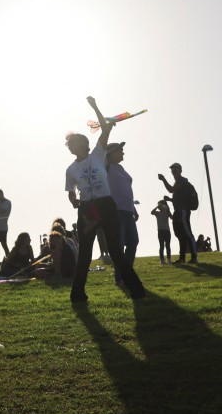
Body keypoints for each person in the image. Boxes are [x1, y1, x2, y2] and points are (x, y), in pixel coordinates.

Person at [64, 97, 146, 303]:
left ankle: (136, 290)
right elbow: (71, 191)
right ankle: (77, 295)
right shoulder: (71, 169)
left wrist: (95, 107)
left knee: (116, 251)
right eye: (68, 145)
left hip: (106, 206)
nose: (69, 147)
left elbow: (106, 129)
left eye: (72, 143)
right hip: (87, 209)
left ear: (83, 144)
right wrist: (73, 200)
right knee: (85, 253)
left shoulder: (98, 154)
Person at [106, 142, 139, 287]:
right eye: (120, 150)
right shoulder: (105, 167)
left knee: (133, 241)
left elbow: (126, 190)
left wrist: (133, 208)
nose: (123, 153)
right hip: (116, 212)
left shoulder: (121, 168)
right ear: (111, 153)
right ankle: (120, 278)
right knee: (118, 245)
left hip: (128, 211)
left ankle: (127, 274)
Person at [158, 163, 198, 263]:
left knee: (188, 234)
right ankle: (182, 258)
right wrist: (170, 200)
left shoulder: (182, 181)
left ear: (180, 170)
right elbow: (180, 199)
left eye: (176, 169)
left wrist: (163, 179)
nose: (174, 171)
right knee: (180, 234)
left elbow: (171, 190)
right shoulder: (179, 182)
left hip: (183, 212)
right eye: (172, 170)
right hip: (178, 211)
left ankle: (194, 257)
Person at [150, 200, 172, 265]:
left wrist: (168, 209)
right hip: (160, 231)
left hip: (167, 231)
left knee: (168, 246)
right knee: (161, 246)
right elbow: (152, 212)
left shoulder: (167, 213)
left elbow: (172, 217)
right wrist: (157, 206)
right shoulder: (157, 213)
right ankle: (162, 260)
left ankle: (169, 260)